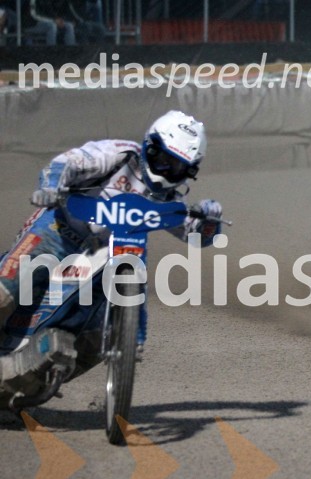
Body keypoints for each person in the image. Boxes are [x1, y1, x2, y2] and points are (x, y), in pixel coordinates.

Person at [0, 111, 223, 339]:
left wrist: (209, 220)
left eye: (176, 167)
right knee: (5, 292)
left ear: (189, 171)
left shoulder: (169, 199)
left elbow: (197, 236)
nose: (166, 170)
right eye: (164, 160)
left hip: (107, 257)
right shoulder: (118, 153)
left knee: (95, 336)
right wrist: (51, 188)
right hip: (58, 230)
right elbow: (68, 162)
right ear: (150, 146)